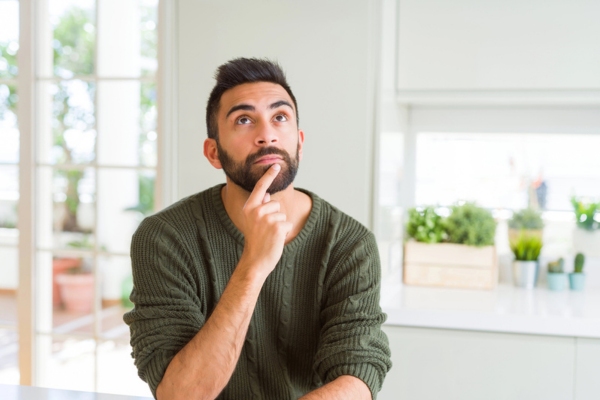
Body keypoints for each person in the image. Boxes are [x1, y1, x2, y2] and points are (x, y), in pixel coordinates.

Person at [124, 57, 392, 400]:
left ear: (299, 141)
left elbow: (358, 373)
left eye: (280, 117)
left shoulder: (349, 243)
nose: (267, 135)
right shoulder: (164, 237)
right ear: (213, 153)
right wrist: (253, 264)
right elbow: (180, 394)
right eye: (244, 120)